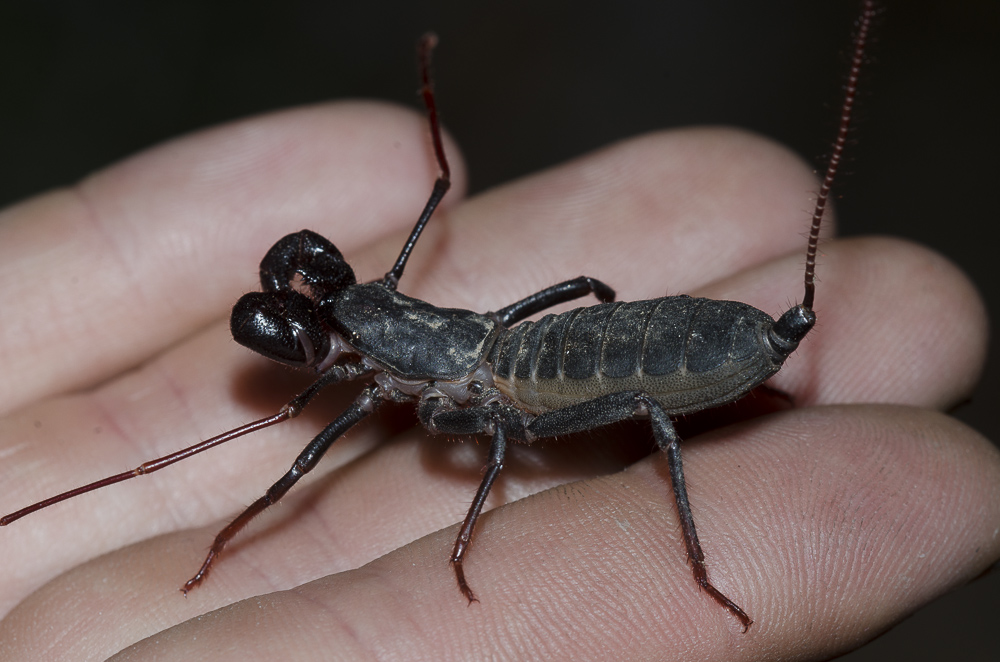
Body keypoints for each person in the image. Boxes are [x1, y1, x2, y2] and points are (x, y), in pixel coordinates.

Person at [0, 101, 996, 660]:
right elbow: (563, 311)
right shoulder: (384, 337)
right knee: (586, 336)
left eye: (335, 322)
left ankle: (701, 560)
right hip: (500, 343)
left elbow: (487, 440)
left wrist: (472, 520)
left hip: (537, 367)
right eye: (333, 319)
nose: (334, 325)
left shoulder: (405, 385)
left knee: (641, 396)